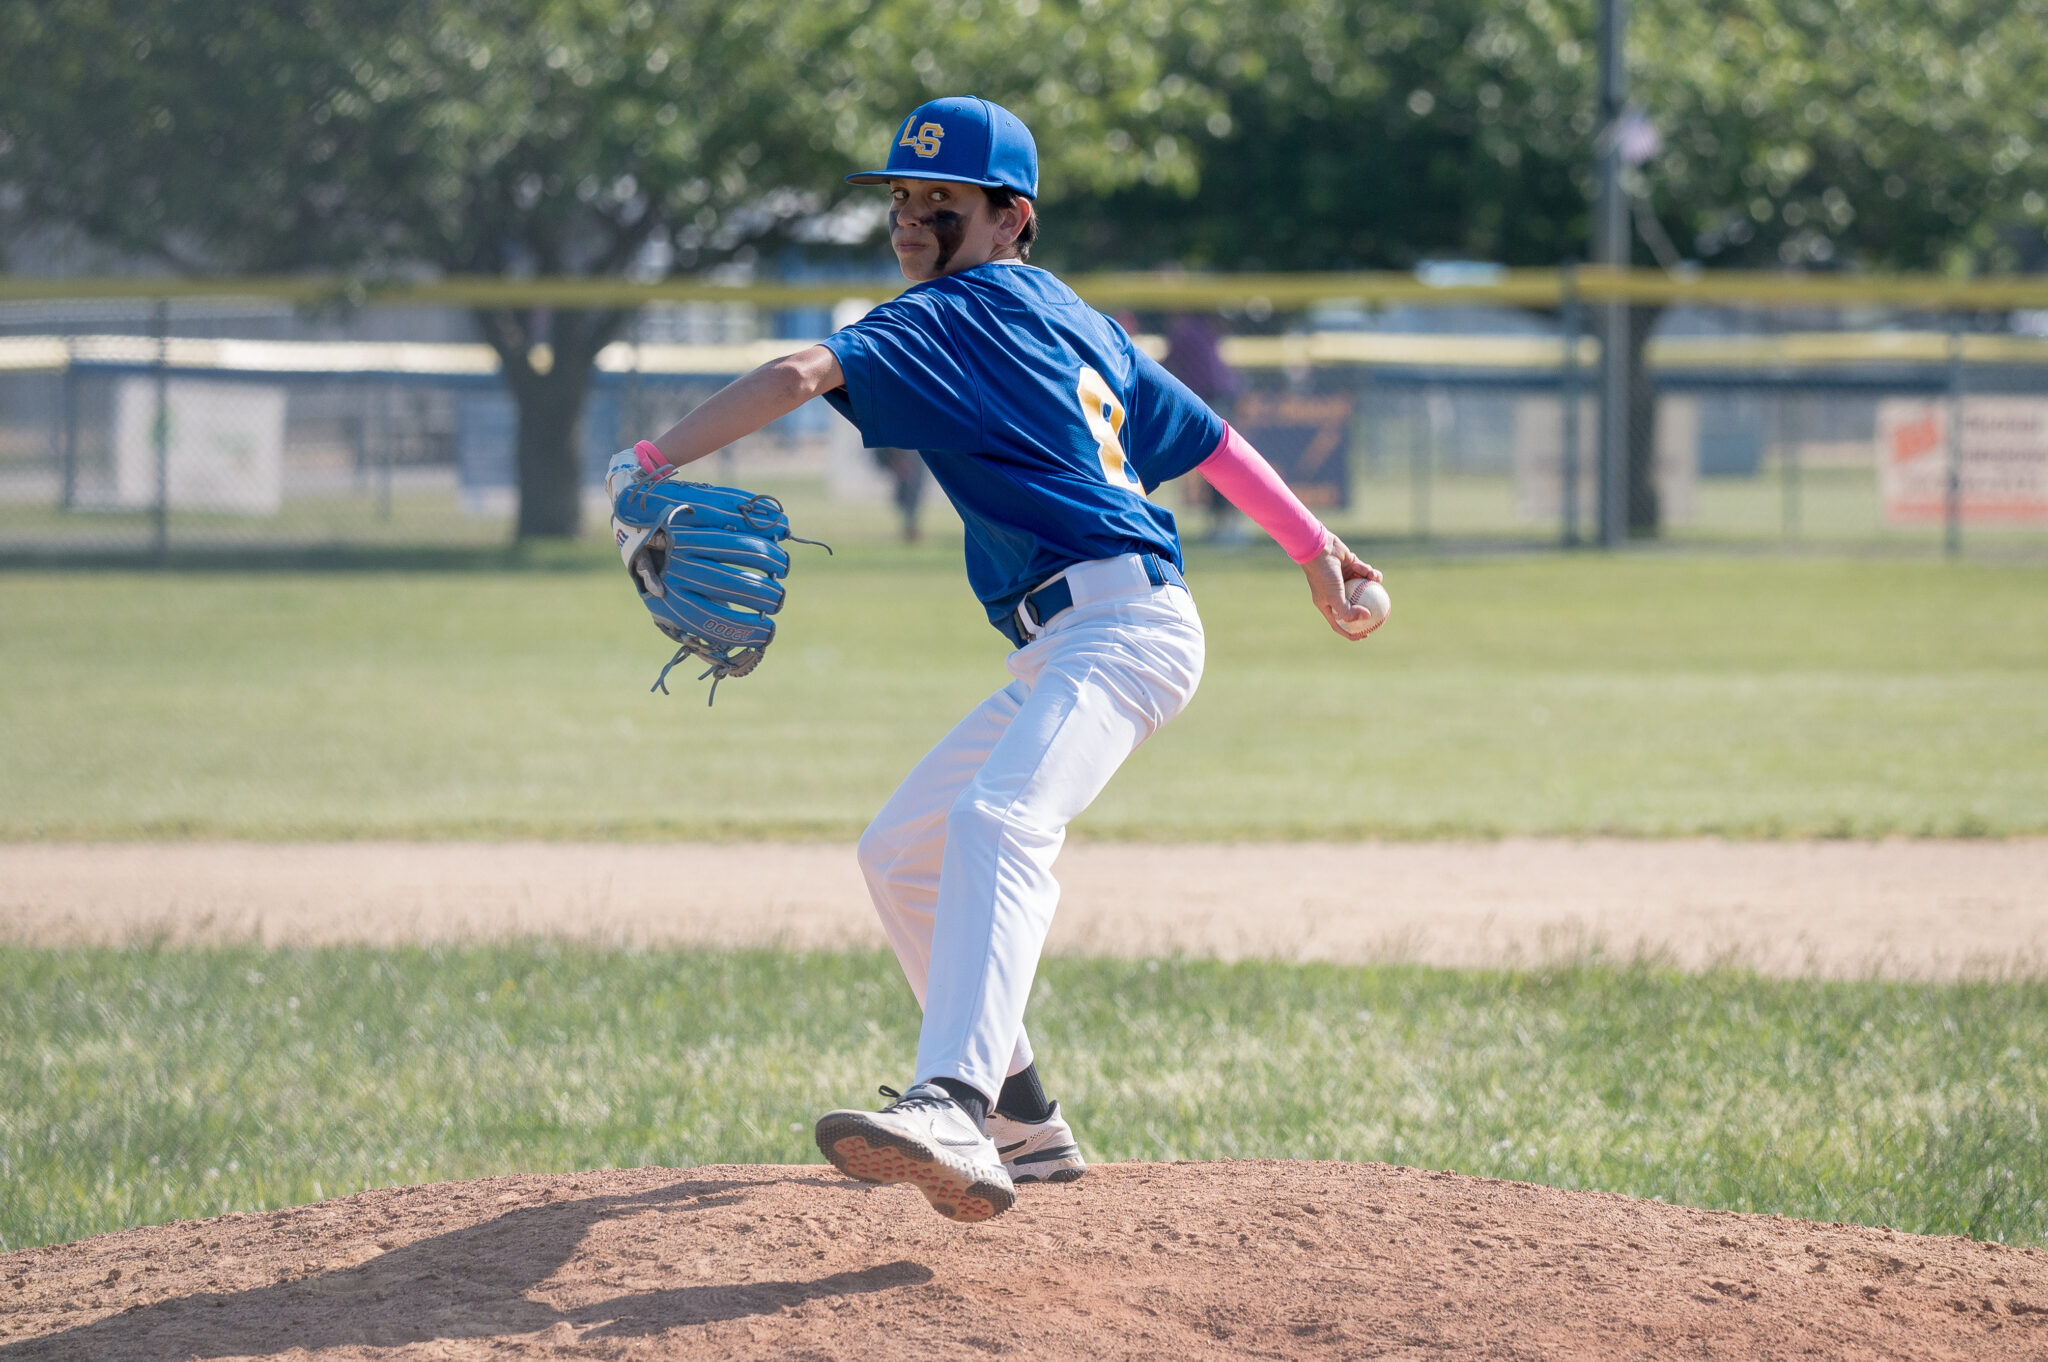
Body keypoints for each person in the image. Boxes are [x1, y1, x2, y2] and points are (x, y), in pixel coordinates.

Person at [626, 95, 1382, 1223]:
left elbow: (794, 375)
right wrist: (1314, 549)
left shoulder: (949, 312)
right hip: (1079, 637)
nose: (909, 217)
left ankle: (952, 1103)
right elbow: (1216, 443)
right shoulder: (1077, 320)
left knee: (997, 822)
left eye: (940, 198)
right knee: (901, 853)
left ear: (1009, 216)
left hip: (1123, 626)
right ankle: (1026, 1125)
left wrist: (646, 461)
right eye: (899, 196)